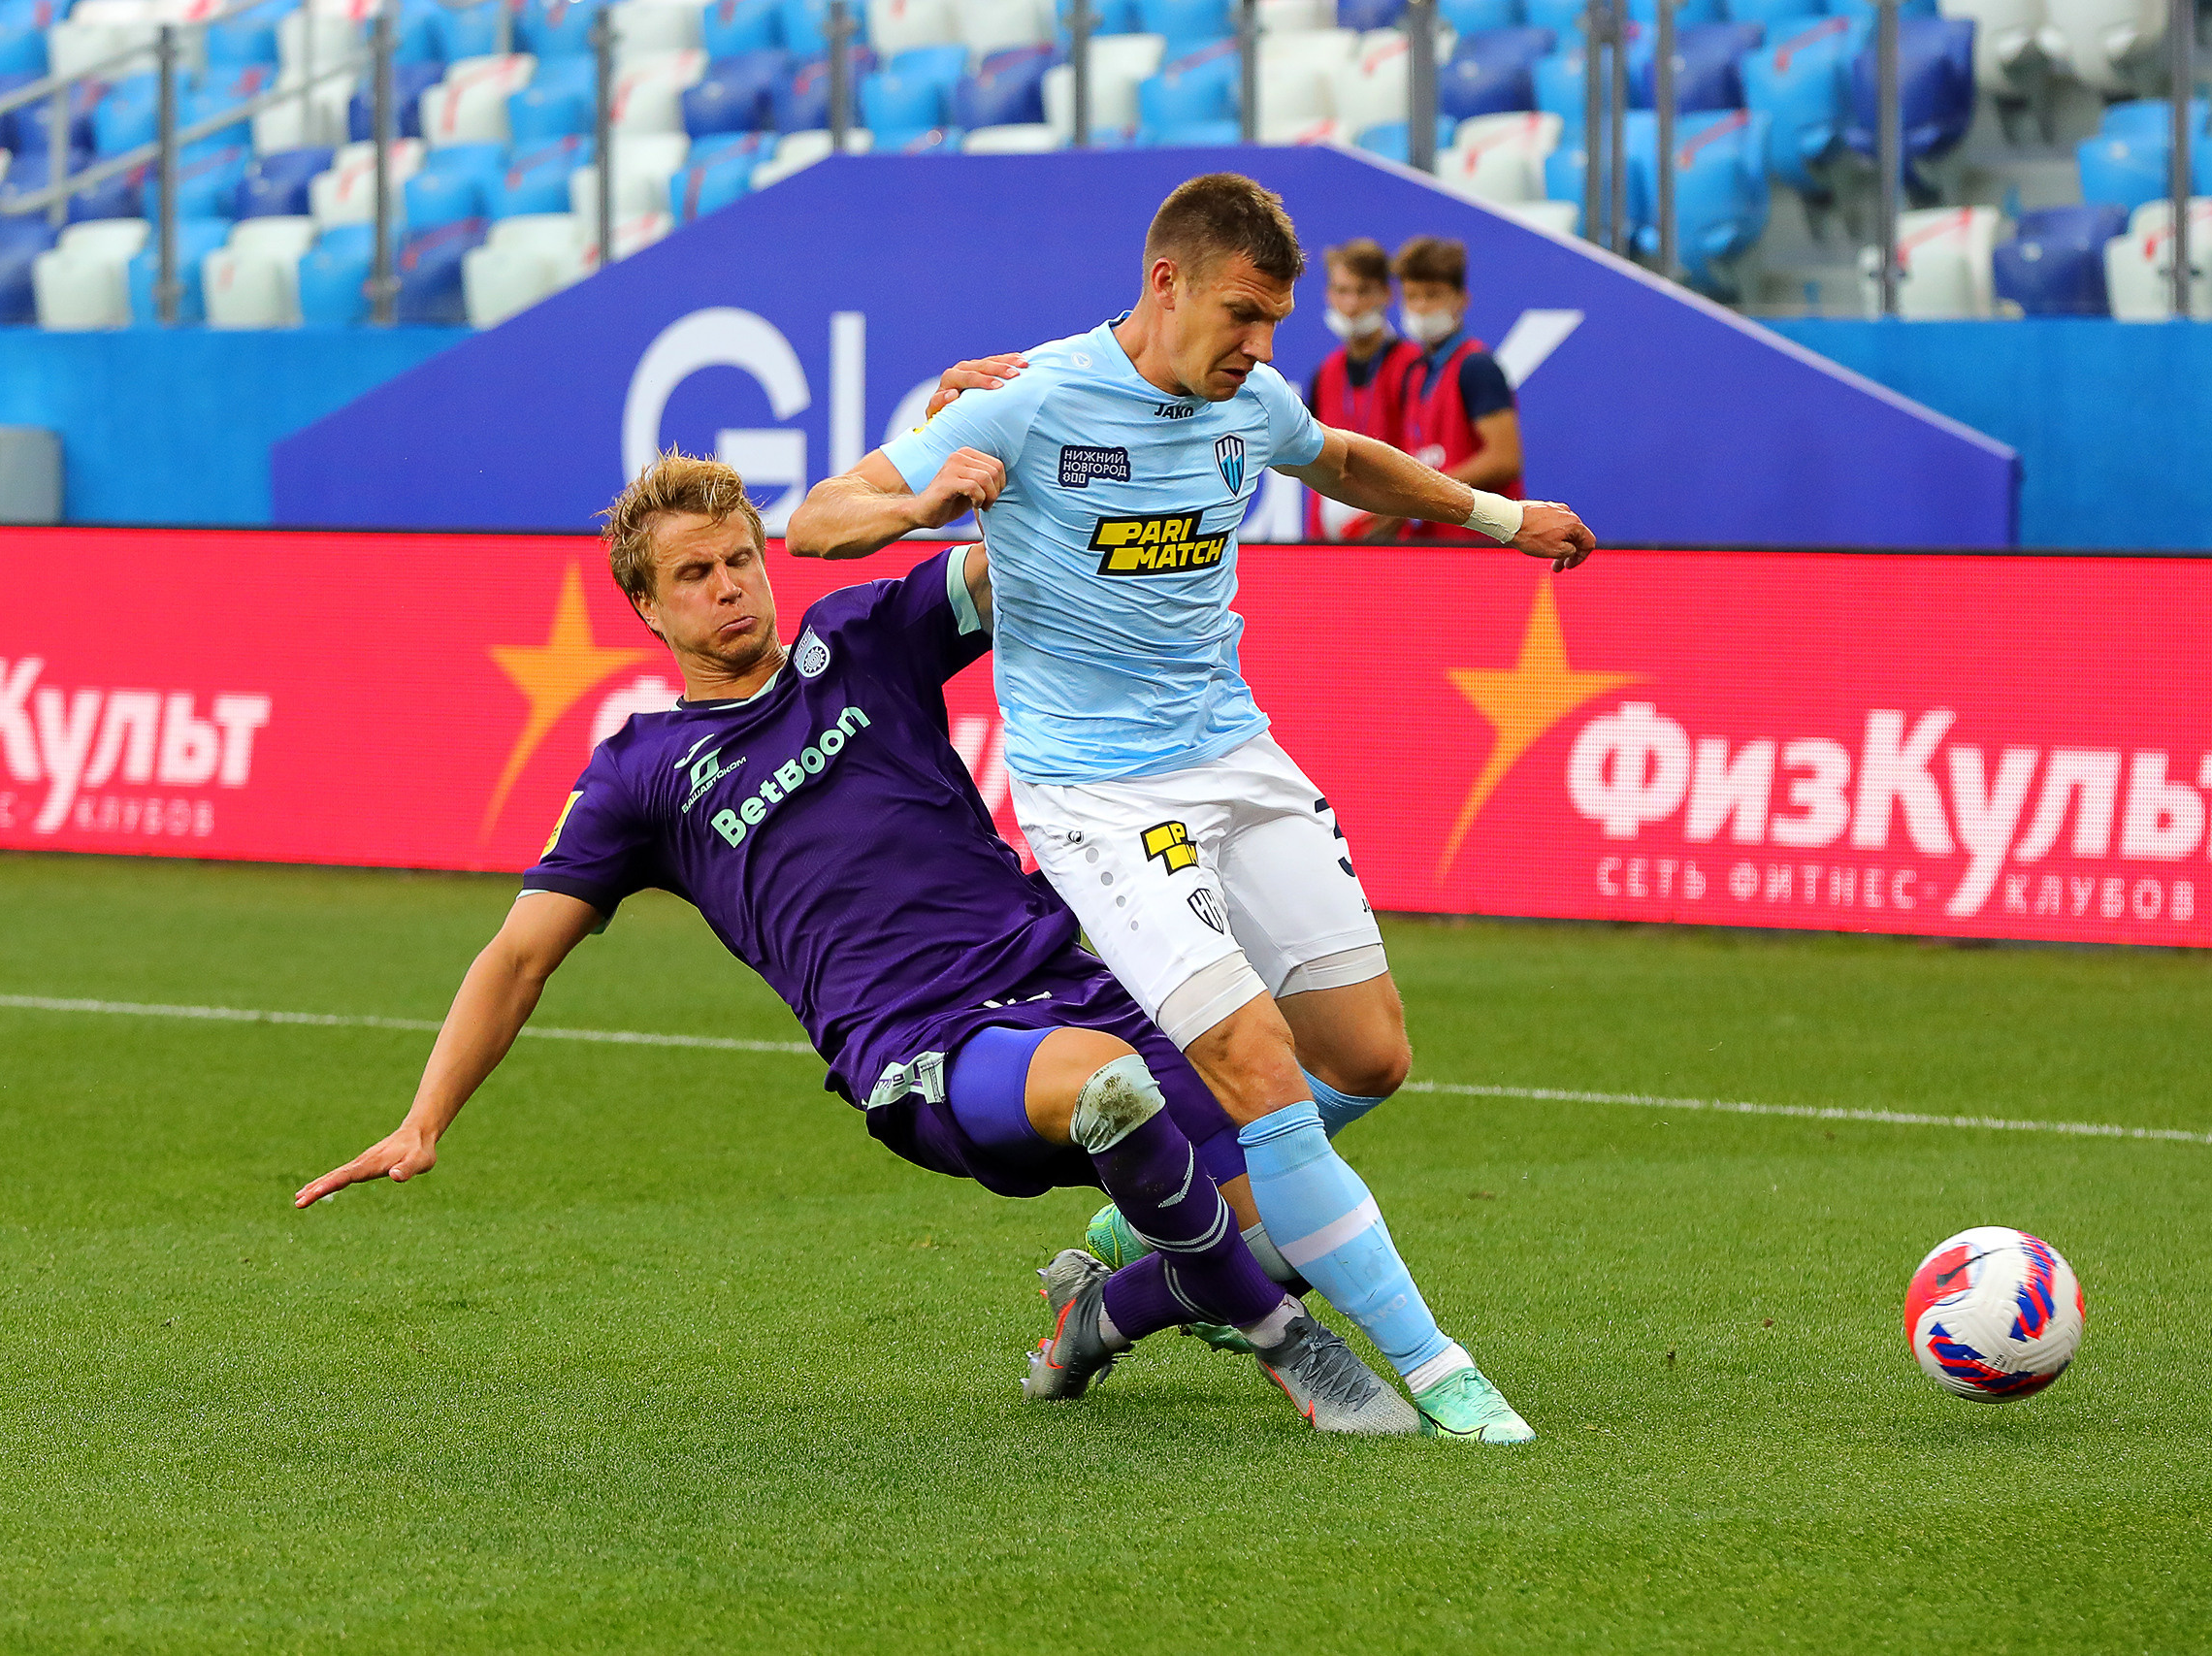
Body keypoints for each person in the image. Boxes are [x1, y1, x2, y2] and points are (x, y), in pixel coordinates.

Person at [293, 454, 1418, 1437]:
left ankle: (1102, 1311)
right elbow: (516, 959)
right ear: (645, 606)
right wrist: (425, 1117)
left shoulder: (863, 638)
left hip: (1061, 978)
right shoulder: (639, 776)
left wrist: (1011, 442)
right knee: (1114, 1095)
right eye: (694, 574)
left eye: (739, 558)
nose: (728, 585)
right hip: (921, 1047)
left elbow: (1009, 565)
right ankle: (1289, 1350)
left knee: (1286, 1227)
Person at [786, 172, 1596, 1444]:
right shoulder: (1032, 395)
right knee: (1259, 1066)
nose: (1263, 347)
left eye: (1275, 320)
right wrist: (922, 506)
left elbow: (1339, 458)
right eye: (1244, 313)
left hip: (1236, 757)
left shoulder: (1248, 397)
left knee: (1369, 1056)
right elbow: (815, 519)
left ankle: (1132, 1236)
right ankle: (1438, 1372)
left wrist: (1497, 514)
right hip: (1098, 796)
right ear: (1166, 282)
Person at [1383, 235, 1526, 544]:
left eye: (1432, 295)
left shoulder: (1477, 366)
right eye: (1412, 296)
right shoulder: (1415, 371)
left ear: (1462, 299)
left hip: (1479, 547)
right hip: (1431, 545)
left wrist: (1426, 491)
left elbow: (1505, 458)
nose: (1420, 307)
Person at [1302, 238, 1417, 541]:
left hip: (1400, 542)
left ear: (1386, 294)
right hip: (1332, 545)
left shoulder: (1413, 366)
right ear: (1329, 295)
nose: (1352, 305)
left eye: (1363, 291)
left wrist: (1406, 506)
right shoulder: (1325, 374)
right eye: (1342, 291)